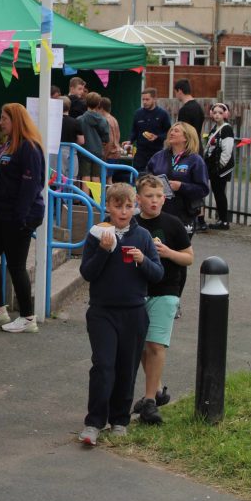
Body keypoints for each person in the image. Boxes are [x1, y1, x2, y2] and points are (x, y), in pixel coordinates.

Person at [78, 182, 163, 446]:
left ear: (135, 206)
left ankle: (119, 420)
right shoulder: (96, 234)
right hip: (102, 312)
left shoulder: (143, 237)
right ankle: (94, 423)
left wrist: (143, 260)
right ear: (108, 207)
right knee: (104, 367)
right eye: (118, 206)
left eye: (129, 206)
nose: (124, 212)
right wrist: (104, 251)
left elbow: (158, 274)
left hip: (134, 312)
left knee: (126, 368)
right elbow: (87, 273)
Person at [0, 103, 46, 334]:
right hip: (2, 212)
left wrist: (21, 217)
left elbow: (30, 185)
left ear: (16, 120)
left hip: (19, 216)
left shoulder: (29, 148)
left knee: (16, 265)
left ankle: (27, 316)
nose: (0, 122)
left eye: (3, 118)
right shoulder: (8, 145)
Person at [133, 175, 193, 425]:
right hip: (136, 291)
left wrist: (168, 253)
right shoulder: (132, 223)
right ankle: (156, 389)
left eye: (159, 196)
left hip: (166, 290)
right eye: (149, 196)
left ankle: (149, 401)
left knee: (156, 345)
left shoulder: (173, 224)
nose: (155, 201)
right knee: (141, 347)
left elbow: (189, 258)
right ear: (138, 199)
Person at [145, 122, 210, 235]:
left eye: (176, 131)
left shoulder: (195, 160)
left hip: (183, 215)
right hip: (158, 211)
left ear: (186, 137)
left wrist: (181, 186)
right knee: (157, 248)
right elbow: (145, 177)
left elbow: (203, 189)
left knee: (178, 250)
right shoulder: (158, 156)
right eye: (171, 130)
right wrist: (151, 182)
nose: (171, 133)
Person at [175, 79, 207, 232]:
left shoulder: (185, 110)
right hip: (197, 146)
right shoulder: (199, 108)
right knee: (198, 182)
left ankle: (192, 217)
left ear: (180, 90)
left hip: (188, 149)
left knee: (186, 182)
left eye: (176, 92)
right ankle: (200, 218)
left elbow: (183, 132)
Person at [203, 102, 235, 230]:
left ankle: (224, 221)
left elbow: (227, 150)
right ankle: (222, 219)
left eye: (220, 113)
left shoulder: (226, 129)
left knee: (219, 193)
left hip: (220, 168)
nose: (217, 115)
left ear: (225, 114)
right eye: (215, 112)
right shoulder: (215, 128)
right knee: (217, 192)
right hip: (214, 166)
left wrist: (220, 166)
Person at [128, 88, 171, 172]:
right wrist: (130, 141)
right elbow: (134, 131)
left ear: (154, 99)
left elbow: (168, 132)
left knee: (154, 178)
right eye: (143, 99)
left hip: (156, 152)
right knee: (139, 177)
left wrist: (157, 137)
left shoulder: (162, 114)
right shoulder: (138, 113)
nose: (144, 102)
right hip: (141, 153)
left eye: (147, 99)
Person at [78, 92, 110, 195]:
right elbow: (106, 138)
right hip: (97, 151)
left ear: (86, 103)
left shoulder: (80, 119)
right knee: (96, 176)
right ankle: (97, 201)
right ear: (99, 104)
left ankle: (84, 201)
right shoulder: (103, 120)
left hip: (84, 151)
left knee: (85, 176)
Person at [60, 95, 84, 180]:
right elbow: (81, 141)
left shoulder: (52, 121)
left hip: (55, 153)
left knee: (54, 179)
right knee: (70, 179)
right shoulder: (75, 122)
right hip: (71, 152)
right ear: (69, 107)